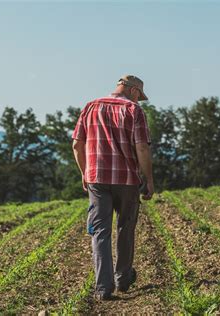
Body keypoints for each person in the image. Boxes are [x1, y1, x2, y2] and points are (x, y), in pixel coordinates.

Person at [71, 75, 154, 300]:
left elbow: (77, 144)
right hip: (126, 180)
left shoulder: (91, 106)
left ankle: (103, 288)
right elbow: (143, 149)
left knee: (100, 231)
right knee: (125, 228)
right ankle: (123, 277)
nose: (139, 100)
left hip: (97, 179)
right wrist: (149, 179)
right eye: (139, 96)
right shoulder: (134, 111)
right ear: (134, 91)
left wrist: (84, 172)